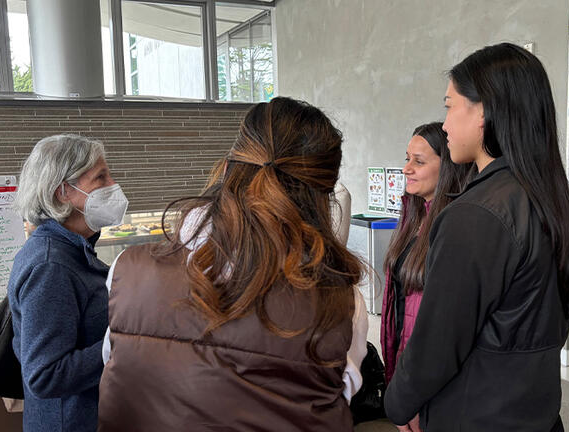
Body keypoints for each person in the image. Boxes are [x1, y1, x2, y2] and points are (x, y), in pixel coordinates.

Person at [98, 97, 368, 431]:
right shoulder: (339, 300)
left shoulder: (128, 270)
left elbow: (117, 367)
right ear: (324, 196)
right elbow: (340, 393)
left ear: (227, 169)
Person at [384, 43, 569, 432]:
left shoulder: (476, 214)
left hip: (476, 413)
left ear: (484, 111)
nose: (444, 124)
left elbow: (438, 345)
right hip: (534, 409)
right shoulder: (546, 197)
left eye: (450, 105)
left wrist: (399, 403)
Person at [8, 134, 128, 432]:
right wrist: (125, 341)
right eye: (101, 177)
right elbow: (45, 374)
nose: (113, 185)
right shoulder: (50, 266)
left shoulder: (72, 251)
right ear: (63, 192)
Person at [380, 122, 472, 384]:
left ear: (447, 168)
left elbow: (445, 332)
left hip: (427, 375)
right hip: (403, 357)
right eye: (407, 159)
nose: (406, 168)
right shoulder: (412, 214)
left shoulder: (456, 227)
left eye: (418, 161)